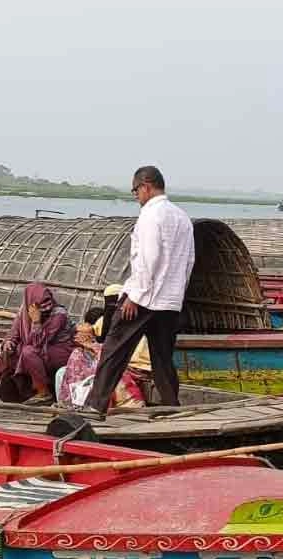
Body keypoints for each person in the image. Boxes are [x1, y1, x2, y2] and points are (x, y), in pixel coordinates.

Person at [83, 166, 194, 414]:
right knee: (162, 359)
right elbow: (188, 262)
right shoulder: (182, 218)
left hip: (144, 298)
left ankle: (95, 406)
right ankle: (171, 407)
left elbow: (148, 259)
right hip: (169, 301)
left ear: (146, 186)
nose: (135, 196)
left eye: (135, 190)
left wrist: (134, 296)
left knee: (114, 350)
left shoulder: (150, 215)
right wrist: (178, 294)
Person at [0, 282, 75, 404]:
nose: (46, 306)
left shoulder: (59, 314)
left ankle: (44, 392)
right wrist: (9, 343)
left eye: (47, 301)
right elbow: (14, 333)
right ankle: (20, 394)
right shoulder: (25, 311)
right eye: (41, 303)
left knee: (28, 352)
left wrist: (36, 322)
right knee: (14, 352)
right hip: (41, 350)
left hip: (60, 351)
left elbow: (39, 342)